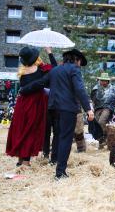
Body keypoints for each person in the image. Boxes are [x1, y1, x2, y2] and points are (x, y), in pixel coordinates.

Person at [19, 49, 94, 180]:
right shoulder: (74, 69)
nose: (80, 65)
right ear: (76, 59)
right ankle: (60, 173)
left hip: (53, 108)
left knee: (58, 137)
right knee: (65, 138)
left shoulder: (55, 70)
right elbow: (79, 89)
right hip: (68, 108)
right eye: (80, 62)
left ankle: (54, 161)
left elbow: (40, 83)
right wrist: (88, 108)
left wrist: (24, 90)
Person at [6, 47, 53, 167]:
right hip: (34, 103)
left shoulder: (23, 71)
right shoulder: (42, 69)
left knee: (21, 129)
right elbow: (55, 68)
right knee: (30, 130)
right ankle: (25, 161)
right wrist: (50, 53)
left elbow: (25, 88)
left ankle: (21, 159)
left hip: (22, 103)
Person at [91, 72, 115, 149]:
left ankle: (105, 136)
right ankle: (101, 142)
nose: (103, 82)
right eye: (102, 80)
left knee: (101, 121)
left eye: (105, 80)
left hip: (107, 107)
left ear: (108, 81)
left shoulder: (113, 88)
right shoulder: (96, 88)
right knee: (98, 125)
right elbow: (93, 98)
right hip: (98, 108)